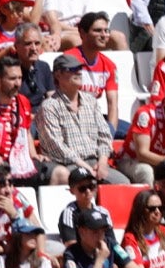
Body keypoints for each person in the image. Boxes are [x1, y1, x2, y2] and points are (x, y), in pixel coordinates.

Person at [38, 53, 127, 185]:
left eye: (79, 68)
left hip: (96, 162)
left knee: (124, 184)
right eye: (72, 69)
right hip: (68, 165)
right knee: (88, 184)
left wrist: (102, 162)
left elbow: (104, 135)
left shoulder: (91, 101)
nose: (78, 72)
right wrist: (85, 167)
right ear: (58, 75)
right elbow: (56, 147)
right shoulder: (49, 106)